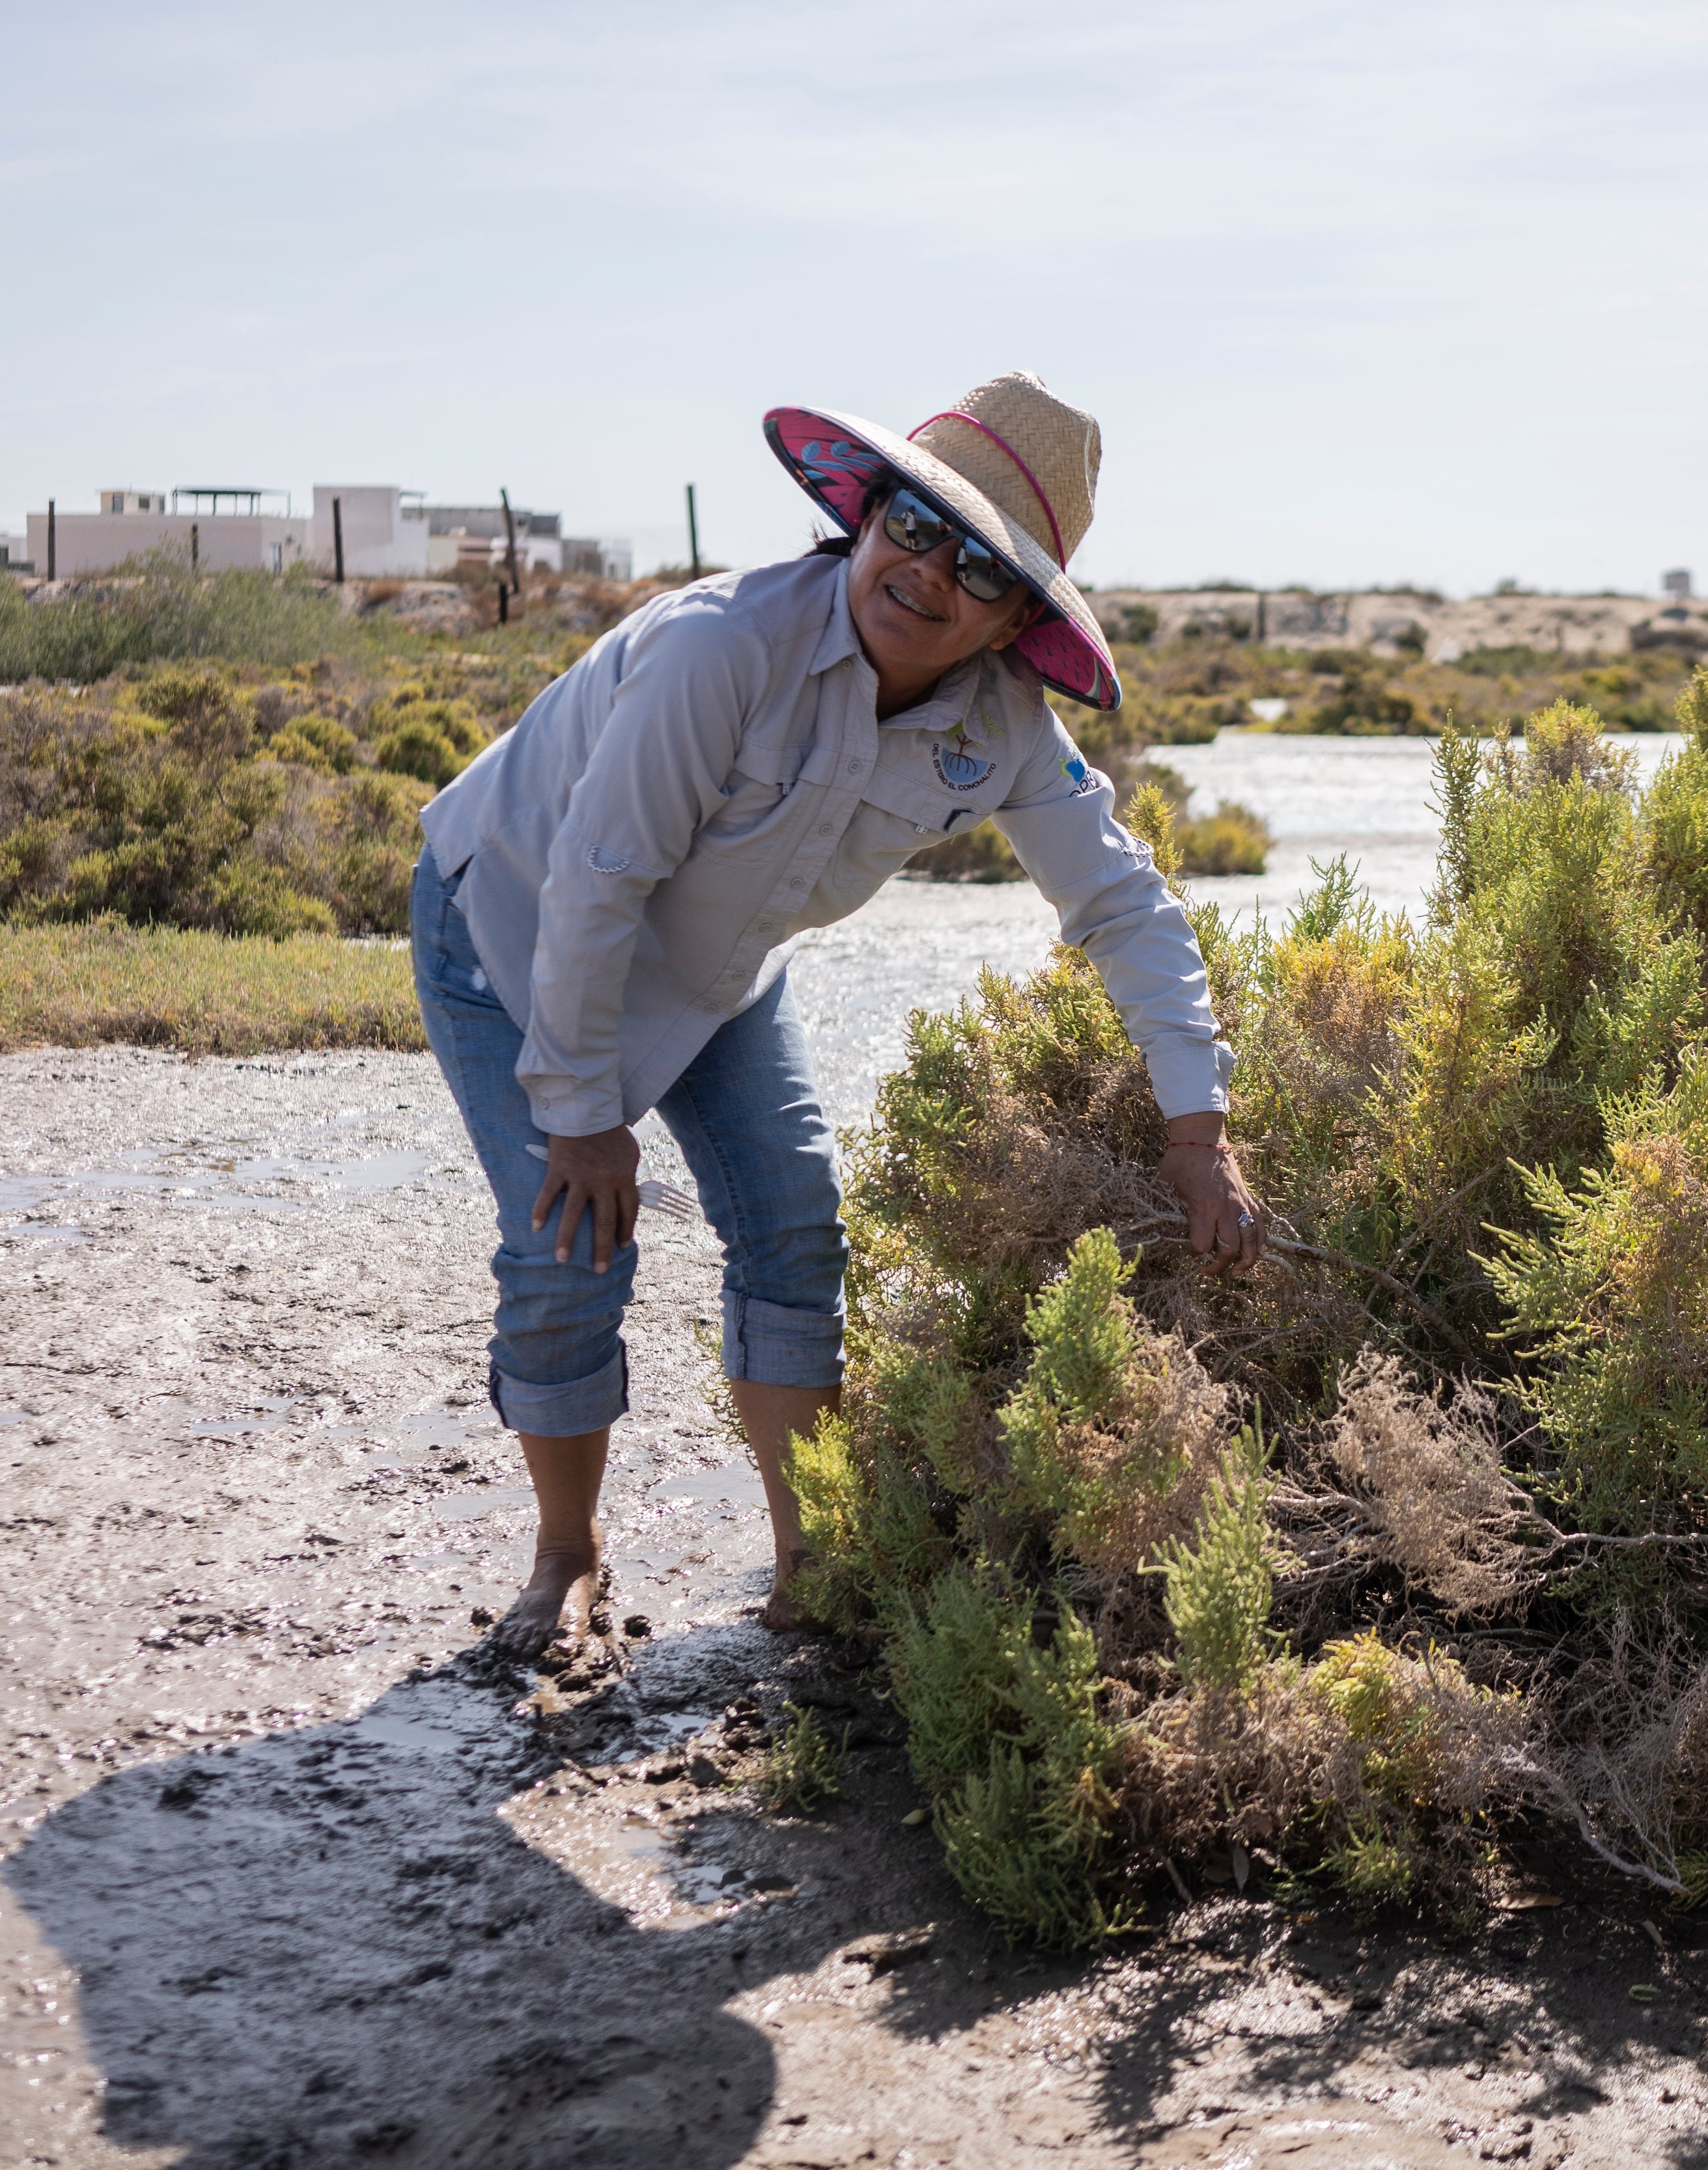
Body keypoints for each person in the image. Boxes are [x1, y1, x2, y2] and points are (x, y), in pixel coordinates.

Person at [411, 370, 1265, 1654]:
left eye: (981, 567)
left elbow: (1125, 907)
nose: (928, 573)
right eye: (915, 525)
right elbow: (598, 884)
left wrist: (1198, 1127)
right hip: (516, 930)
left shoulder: (1006, 731)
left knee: (796, 1228)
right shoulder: (719, 651)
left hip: (715, 970)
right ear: (864, 515)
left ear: (1013, 623)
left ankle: (812, 1567)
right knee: (569, 1245)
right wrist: (585, 1117)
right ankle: (567, 1554)